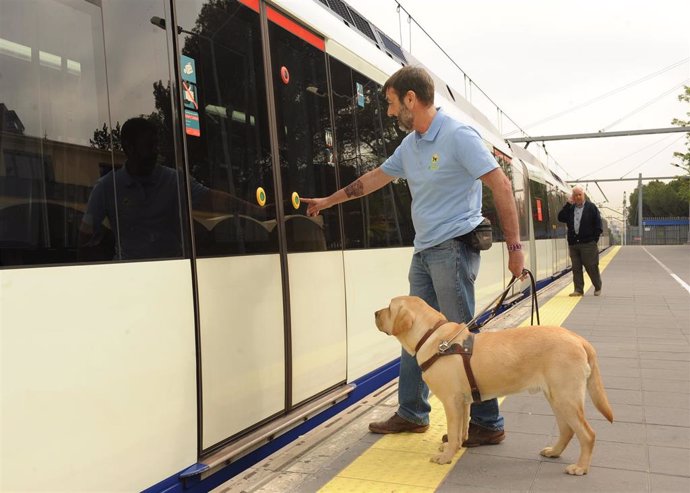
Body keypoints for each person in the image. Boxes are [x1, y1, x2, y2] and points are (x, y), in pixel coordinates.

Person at [301, 66, 524, 447]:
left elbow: (500, 183)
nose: (389, 112)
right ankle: (411, 412)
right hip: (424, 252)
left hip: (453, 248)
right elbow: (371, 180)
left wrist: (515, 247)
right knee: (408, 331)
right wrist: (328, 201)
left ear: (410, 99)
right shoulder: (412, 145)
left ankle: (488, 421)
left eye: (390, 103)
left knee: (459, 338)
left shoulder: (458, 136)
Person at [80, 117, 262, 259]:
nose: (155, 151)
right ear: (129, 148)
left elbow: (213, 199)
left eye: (156, 144)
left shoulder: (173, 180)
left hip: (174, 270)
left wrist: (256, 211)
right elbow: (86, 234)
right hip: (129, 276)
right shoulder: (107, 187)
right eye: (149, 145)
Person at [557, 186, 603, 296]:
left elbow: (598, 225)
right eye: (575, 195)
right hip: (573, 244)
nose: (577, 197)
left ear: (583, 195)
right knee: (576, 268)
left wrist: (593, 240)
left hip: (588, 243)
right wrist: (568, 204)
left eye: (579, 195)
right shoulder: (571, 208)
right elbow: (560, 217)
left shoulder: (591, 207)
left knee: (591, 266)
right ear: (572, 196)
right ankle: (578, 289)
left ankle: (597, 286)